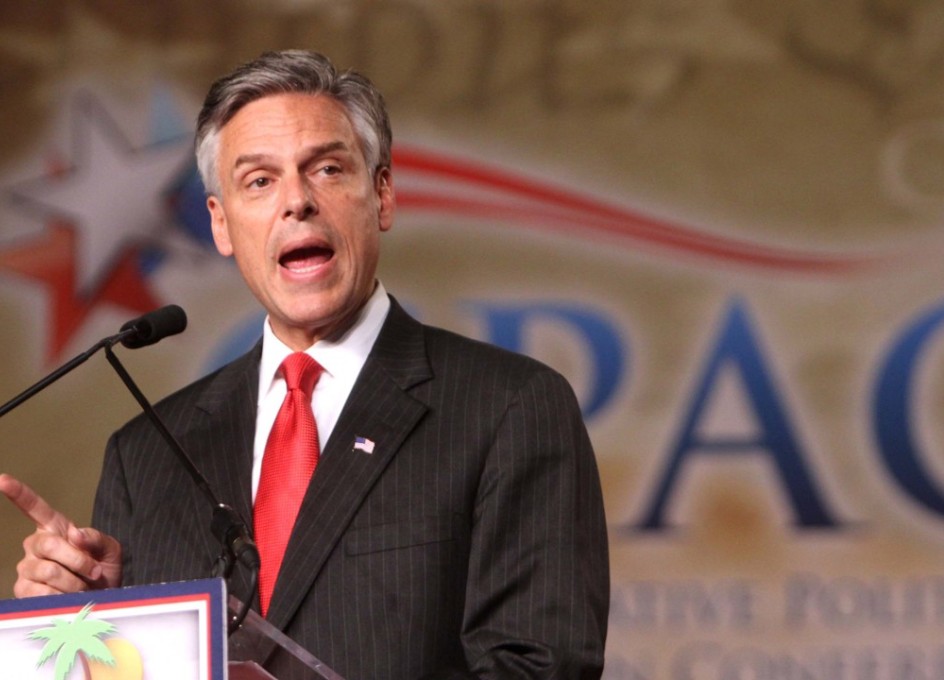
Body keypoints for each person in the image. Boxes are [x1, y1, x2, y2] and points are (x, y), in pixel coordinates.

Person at [0, 49, 610, 678]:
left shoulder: (509, 407)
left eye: (326, 168)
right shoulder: (146, 453)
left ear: (382, 195)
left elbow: (541, 667)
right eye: (258, 181)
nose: (297, 201)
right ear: (222, 225)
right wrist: (96, 622)